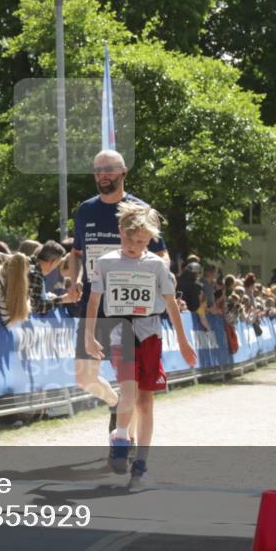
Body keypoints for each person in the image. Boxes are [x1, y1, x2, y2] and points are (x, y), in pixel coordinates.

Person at [84, 202, 196, 480]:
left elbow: (171, 304)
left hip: (150, 334)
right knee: (129, 391)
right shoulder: (106, 262)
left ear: (150, 241)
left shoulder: (156, 265)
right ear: (120, 232)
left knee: (145, 402)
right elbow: (94, 301)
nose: (134, 246)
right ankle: (122, 438)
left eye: (142, 242)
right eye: (130, 240)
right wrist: (88, 335)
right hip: (121, 333)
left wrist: (183, 341)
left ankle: (141, 461)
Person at [67, 150, 168, 428]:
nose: (102, 175)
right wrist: (75, 279)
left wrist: (158, 276)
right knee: (84, 377)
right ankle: (114, 403)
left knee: (131, 384)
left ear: (123, 172)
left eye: (109, 169)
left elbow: (162, 255)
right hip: (95, 306)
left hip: (130, 311)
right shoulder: (85, 210)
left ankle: (127, 439)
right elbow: (76, 253)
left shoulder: (140, 210)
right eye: (98, 170)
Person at [28, 240, 76, 315]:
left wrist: (48, 297)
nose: (55, 268)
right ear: (53, 262)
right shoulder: (35, 274)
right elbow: (37, 307)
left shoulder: (31, 266)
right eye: (57, 264)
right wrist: (63, 299)